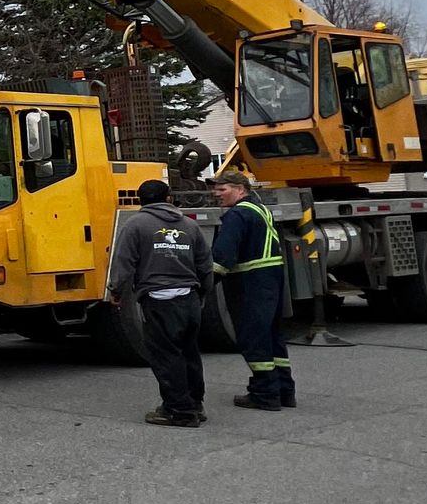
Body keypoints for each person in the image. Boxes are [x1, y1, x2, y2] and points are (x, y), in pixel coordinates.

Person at [111, 176, 215, 426]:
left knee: (167, 356)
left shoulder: (136, 225)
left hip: (159, 299)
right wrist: (203, 293)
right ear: (169, 198)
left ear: (139, 200)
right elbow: (205, 264)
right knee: (189, 353)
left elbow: (124, 263)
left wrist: (116, 291)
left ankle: (180, 411)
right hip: (189, 298)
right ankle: (195, 404)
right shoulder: (189, 226)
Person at [209, 169, 296, 410]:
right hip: (270, 279)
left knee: (253, 337)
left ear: (240, 189)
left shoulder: (236, 215)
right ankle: (284, 391)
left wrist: (205, 284)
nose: (217, 194)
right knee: (272, 336)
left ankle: (265, 394)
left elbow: (223, 255)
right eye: (216, 189)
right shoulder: (260, 210)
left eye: (222, 189)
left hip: (249, 284)